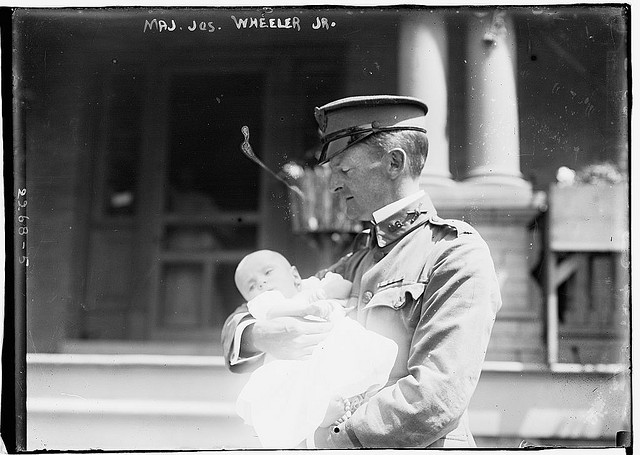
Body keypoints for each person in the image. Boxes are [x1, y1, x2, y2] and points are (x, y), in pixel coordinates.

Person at [222, 95, 503, 448]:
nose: (334, 184)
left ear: (394, 163)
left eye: (343, 170)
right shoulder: (357, 259)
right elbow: (257, 309)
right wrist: (260, 334)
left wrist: (328, 436)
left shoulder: (453, 253)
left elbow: (435, 397)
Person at [232, 250, 398, 448]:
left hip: (332, 348)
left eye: (268, 273)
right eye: (252, 286)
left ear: (294, 275)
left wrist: (322, 292)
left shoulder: (312, 285)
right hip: (296, 361)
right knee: (300, 390)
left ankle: (357, 399)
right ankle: (323, 417)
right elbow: (276, 311)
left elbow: (344, 286)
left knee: (358, 360)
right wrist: (306, 307)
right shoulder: (266, 302)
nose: (261, 283)